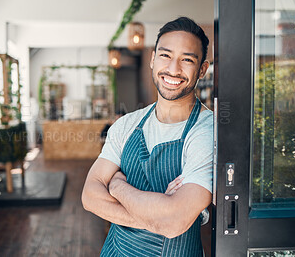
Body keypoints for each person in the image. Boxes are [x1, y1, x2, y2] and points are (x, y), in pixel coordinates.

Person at [82, 16, 213, 256]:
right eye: (165, 55)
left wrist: (117, 185)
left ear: (202, 69)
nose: (173, 69)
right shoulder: (127, 124)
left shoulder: (207, 132)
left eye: (187, 60)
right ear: (153, 59)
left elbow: (175, 221)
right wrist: (157, 219)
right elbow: (90, 196)